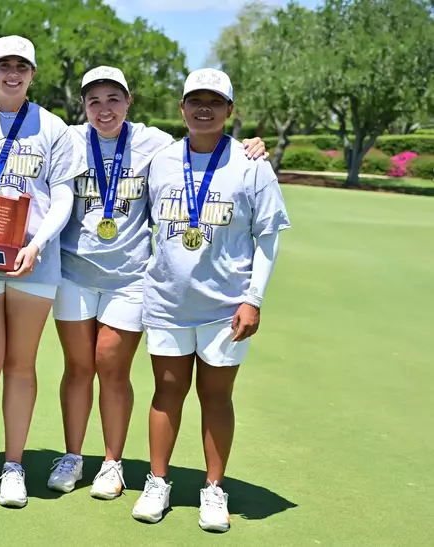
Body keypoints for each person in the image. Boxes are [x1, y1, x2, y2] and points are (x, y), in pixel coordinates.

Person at [48, 67, 267, 499]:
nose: (104, 109)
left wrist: (248, 146)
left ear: (129, 102)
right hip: (72, 273)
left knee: (111, 364)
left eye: (114, 99)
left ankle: (112, 464)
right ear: (83, 106)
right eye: (94, 101)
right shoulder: (68, 140)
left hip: (130, 278)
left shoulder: (155, 144)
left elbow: (203, 150)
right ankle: (73, 455)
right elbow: (19, 134)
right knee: (77, 368)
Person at [130, 68, 290, 532]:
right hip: (167, 301)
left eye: (215, 102)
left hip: (227, 306)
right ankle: (157, 481)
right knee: (166, 393)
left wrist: (253, 299)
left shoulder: (251, 164)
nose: (204, 109)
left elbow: (268, 237)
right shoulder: (160, 160)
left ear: (229, 111)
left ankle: (213, 490)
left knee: (216, 398)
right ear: (181, 108)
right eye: (195, 100)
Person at [0, 36, 88, 508]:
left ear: (32, 73)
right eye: (4, 65)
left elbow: (63, 196)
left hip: (35, 259)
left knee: (21, 365)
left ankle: (13, 466)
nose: (13, 73)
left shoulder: (54, 129)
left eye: (21, 66)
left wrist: (37, 243)